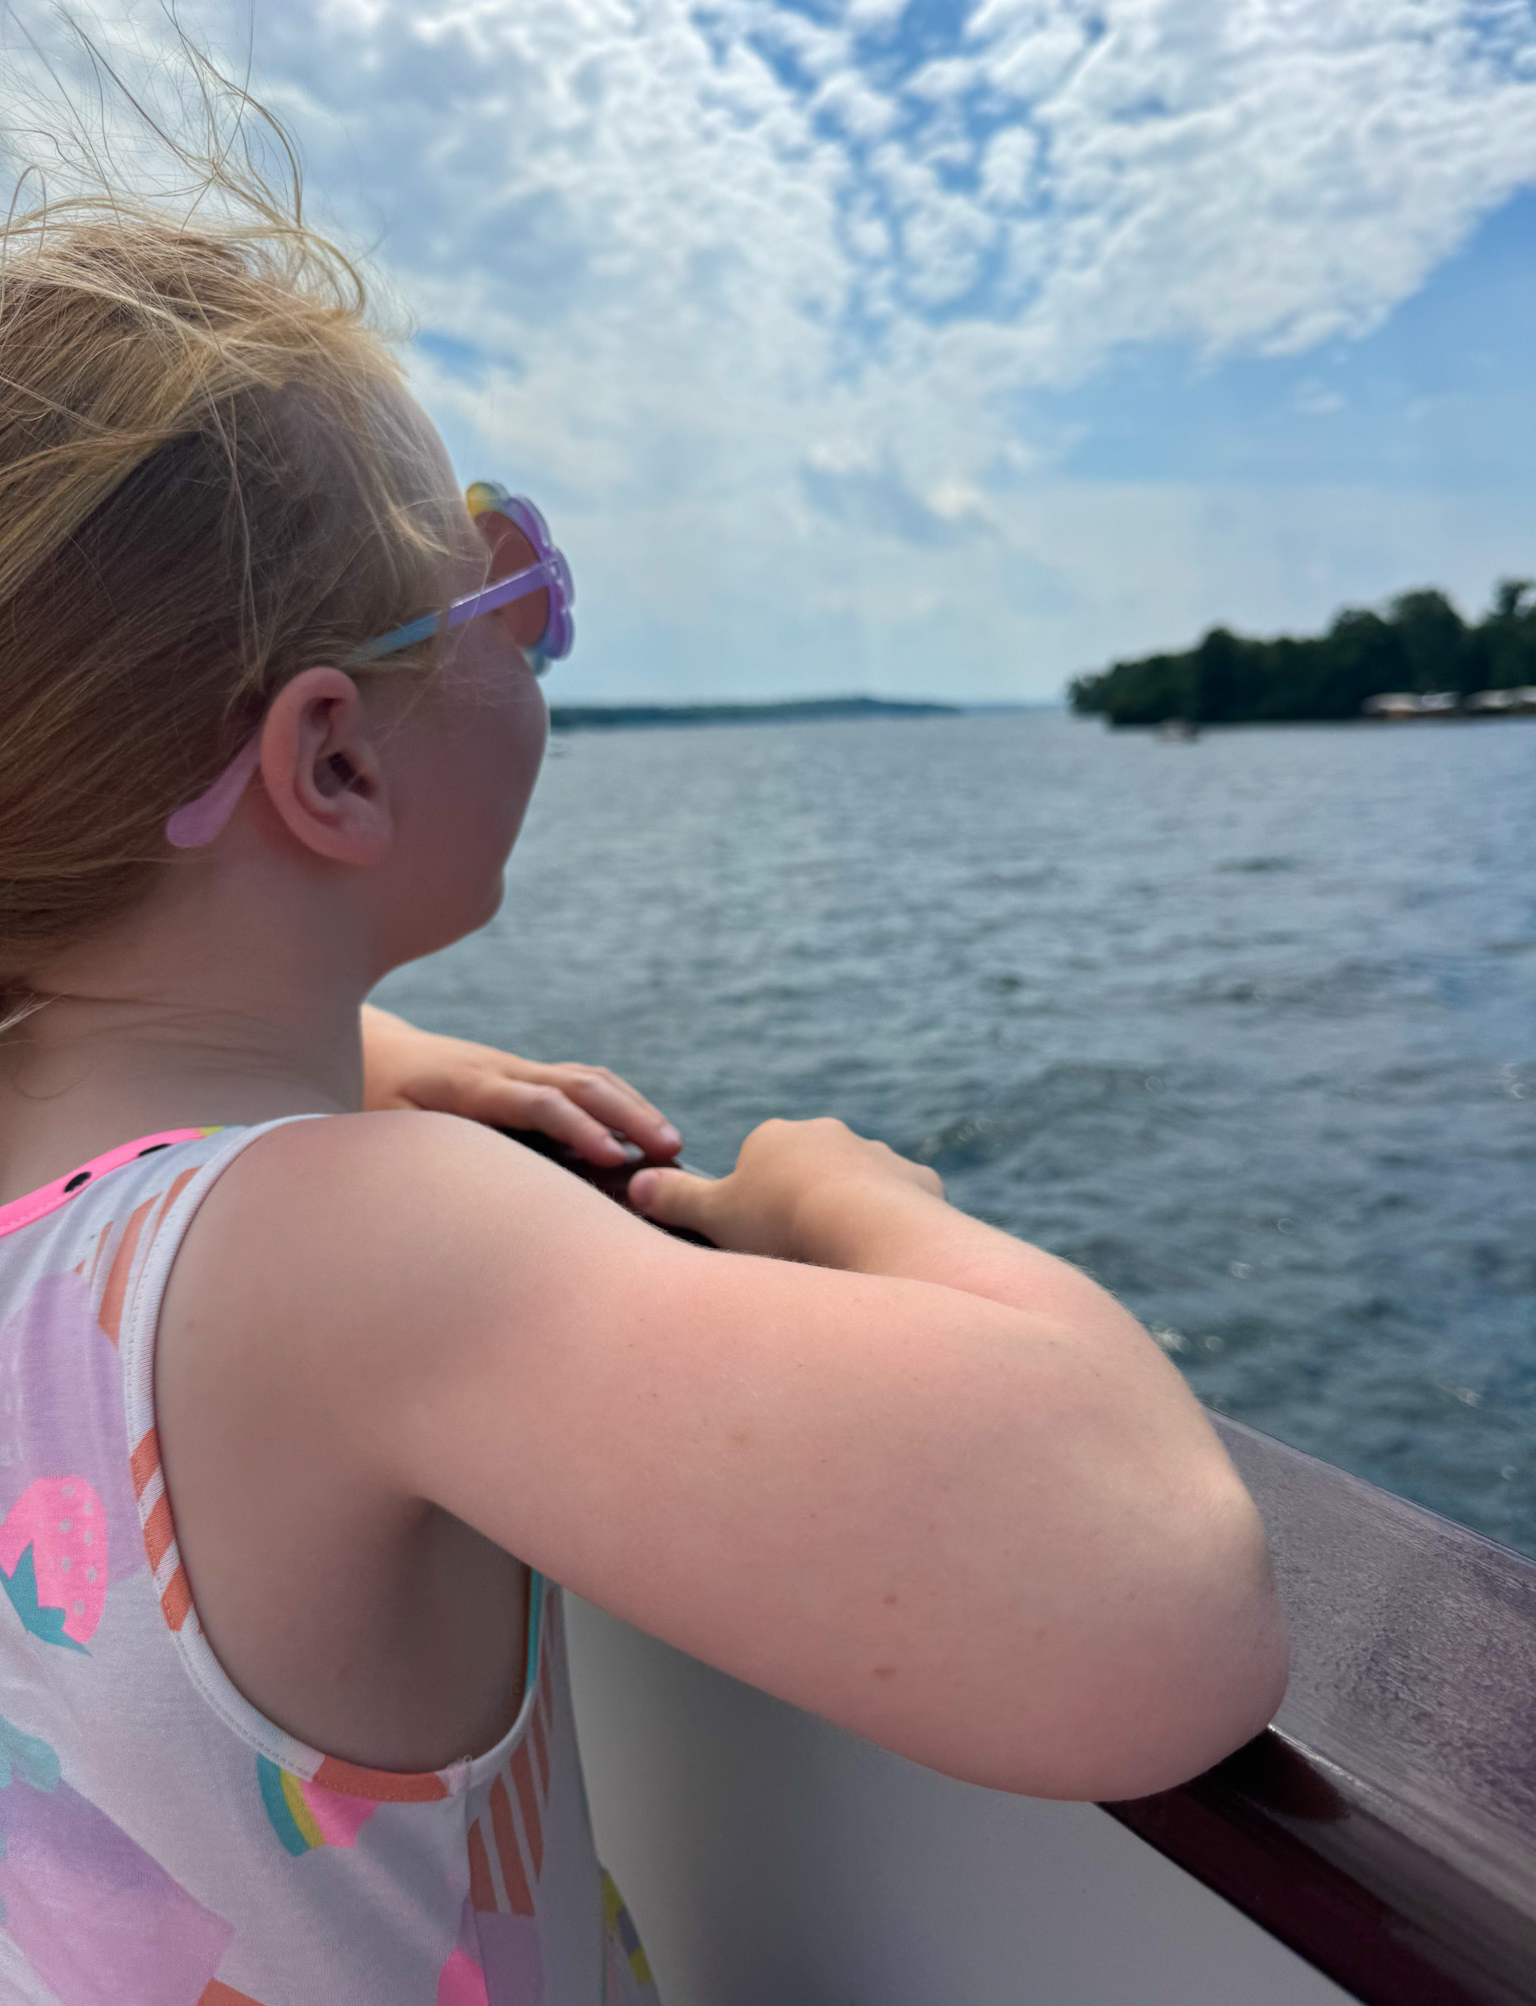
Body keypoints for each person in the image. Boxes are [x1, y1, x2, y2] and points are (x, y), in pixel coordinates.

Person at [0, 105, 1286, 2006]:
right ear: (335, 761)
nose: (542, 643)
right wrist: (853, 1199)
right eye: (511, 584)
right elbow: (1153, 1606)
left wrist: (386, 1056)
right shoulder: (356, 1249)